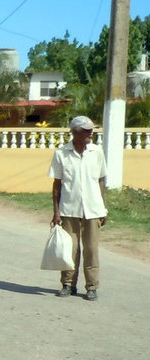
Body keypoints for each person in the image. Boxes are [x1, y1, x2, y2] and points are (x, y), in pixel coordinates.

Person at [48, 115, 107, 301]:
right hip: (68, 209)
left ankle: (92, 286)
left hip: (93, 209)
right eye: (86, 130)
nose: (91, 133)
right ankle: (67, 284)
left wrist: (103, 207)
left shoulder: (96, 151)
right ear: (75, 132)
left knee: (91, 249)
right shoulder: (61, 153)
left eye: (91, 130)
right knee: (70, 249)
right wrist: (56, 212)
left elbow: (101, 180)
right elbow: (57, 185)